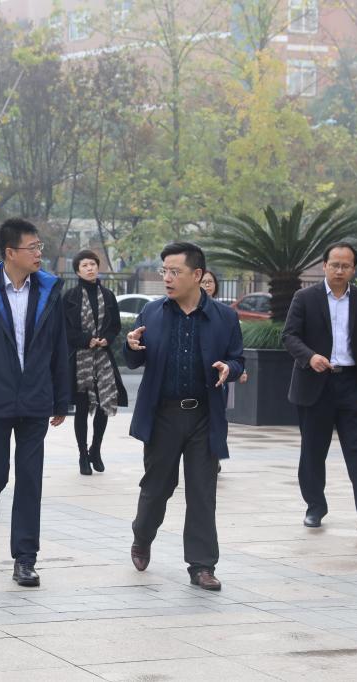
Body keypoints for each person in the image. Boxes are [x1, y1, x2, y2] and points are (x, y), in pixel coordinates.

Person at [0, 218, 69, 587]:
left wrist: (62, 399)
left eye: (39, 247)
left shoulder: (49, 290)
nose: (38, 254)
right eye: (32, 248)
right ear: (10, 253)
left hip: (36, 399)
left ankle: (25, 558)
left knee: (30, 479)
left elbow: (60, 347)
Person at [124, 242, 243, 591]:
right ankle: (142, 534)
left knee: (203, 491)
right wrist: (130, 345)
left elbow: (237, 360)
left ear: (197, 275)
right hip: (163, 414)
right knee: (157, 487)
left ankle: (202, 565)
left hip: (204, 415)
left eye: (175, 272)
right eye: (164, 271)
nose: (167, 278)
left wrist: (230, 368)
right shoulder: (152, 313)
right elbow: (134, 359)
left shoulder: (224, 318)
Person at [281, 242, 357, 532]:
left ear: (354, 269)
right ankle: (315, 507)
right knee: (313, 450)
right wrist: (310, 357)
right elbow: (289, 336)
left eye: (346, 266)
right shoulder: (305, 298)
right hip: (315, 383)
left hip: (351, 383)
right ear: (324, 266)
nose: (339, 270)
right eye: (335, 265)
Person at [62, 250, 127, 475]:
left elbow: (115, 325)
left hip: (102, 357)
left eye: (92, 264)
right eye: (84, 265)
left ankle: (95, 449)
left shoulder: (107, 295)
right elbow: (63, 328)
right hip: (80, 358)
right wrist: (85, 340)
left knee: (104, 404)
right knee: (82, 407)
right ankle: (83, 455)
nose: (90, 268)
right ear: (77, 271)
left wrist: (106, 338)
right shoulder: (70, 296)